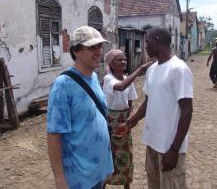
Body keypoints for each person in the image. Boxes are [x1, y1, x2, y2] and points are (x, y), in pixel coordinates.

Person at [117, 27, 193, 189]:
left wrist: (174, 149)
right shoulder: (152, 69)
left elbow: (187, 111)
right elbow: (148, 102)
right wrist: (130, 123)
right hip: (152, 143)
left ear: (158, 41)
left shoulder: (179, 69)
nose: (145, 46)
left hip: (169, 147)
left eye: (147, 42)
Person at [47, 26, 113, 189]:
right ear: (76, 51)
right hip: (79, 178)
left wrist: (107, 165)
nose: (98, 52)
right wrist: (60, 180)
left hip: (98, 172)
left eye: (99, 47)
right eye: (92, 47)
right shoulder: (63, 85)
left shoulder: (95, 78)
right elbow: (54, 135)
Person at [103, 50, 154, 189]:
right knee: (109, 156)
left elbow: (130, 103)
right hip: (109, 123)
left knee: (126, 155)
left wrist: (131, 117)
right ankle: (104, 184)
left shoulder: (127, 78)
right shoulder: (108, 79)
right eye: (119, 60)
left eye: (124, 59)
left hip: (124, 121)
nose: (123, 62)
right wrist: (142, 68)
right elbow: (120, 87)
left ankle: (126, 185)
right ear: (111, 64)